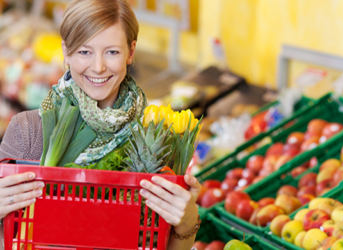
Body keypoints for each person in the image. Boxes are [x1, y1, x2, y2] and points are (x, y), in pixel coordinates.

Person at [0, 0, 201, 249]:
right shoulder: (27, 131)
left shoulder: (156, 138)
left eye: (112, 52)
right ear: (66, 52)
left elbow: (159, 242)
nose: (98, 67)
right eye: (85, 51)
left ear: (131, 52)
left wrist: (187, 221)